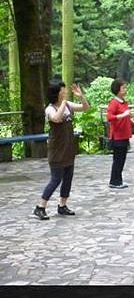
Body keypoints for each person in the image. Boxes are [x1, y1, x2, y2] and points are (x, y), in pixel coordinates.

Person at [32, 81, 90, 220]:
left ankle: (62, 205)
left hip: (68, 148)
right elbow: (56, 118)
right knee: (56, 179)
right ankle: (40, 207)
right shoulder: (50, 109)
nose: (65, 92)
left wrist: (81, 96)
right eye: (62, 91)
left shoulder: (68, 105)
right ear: (56, 93)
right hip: (57, 149)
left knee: (68, 178)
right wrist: (63, 102)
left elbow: (85, 107)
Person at [107, 79, 134, 189]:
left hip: (124, 135)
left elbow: (126, 116)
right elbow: (110, 118)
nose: (125, 90)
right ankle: (115, 181)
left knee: (122, 159)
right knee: (118, 159)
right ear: (117, 90)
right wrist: (123, 115)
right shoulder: (114, 103)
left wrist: (132, 121)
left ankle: (118, 180)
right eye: (123, 88)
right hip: (117, 136)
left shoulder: (124, 102)